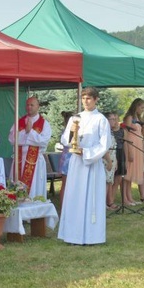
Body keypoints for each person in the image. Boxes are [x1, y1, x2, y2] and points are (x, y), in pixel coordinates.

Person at [58, 88, 113, 245]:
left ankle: (91, 236)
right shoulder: (76, 118)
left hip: (91, 164)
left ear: (96, 100)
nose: (86, 101)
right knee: (74, 197)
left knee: (91, 199)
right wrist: (71, 136)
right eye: (83, 98)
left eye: (89, 98)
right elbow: (65, 140)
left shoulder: (101, 119)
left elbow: (104, 144)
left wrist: (86, 152)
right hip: (76, 163)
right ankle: (72, 235)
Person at [8, 96, 52, 198]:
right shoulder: (18, 122)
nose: (29, 107)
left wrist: (30, 132)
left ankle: (34, 207)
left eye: (32, 105)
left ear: (38, 106)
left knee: (34, 188)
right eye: (27, 105)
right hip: (19, 159)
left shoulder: (44, 124)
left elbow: (44, 141)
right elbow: (12, 139)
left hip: (35, 161)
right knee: (17, 184)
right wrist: (26, 133)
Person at [122, 98, 144, 204]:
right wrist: (129, 149)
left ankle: (130, 197)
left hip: (138, 145)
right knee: (128, 172)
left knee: (132, 174)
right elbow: (126, 133)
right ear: (136, 106)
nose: (143, 109)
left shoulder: (137, 118)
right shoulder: (129, 117)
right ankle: (125, 198)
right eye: (141, 107)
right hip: (131, 144)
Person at [104, 112, 122, 210]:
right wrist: (109, 161)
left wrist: (115, 161)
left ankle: (106, 204)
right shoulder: (104, 131)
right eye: (112, 119)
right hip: (106, 160)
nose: (115, 121)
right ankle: (103, 204)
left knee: (109, 182)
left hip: (112, 158)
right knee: (105, 182)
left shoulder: (110, 131)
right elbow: (105, 148)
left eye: (115, 119)